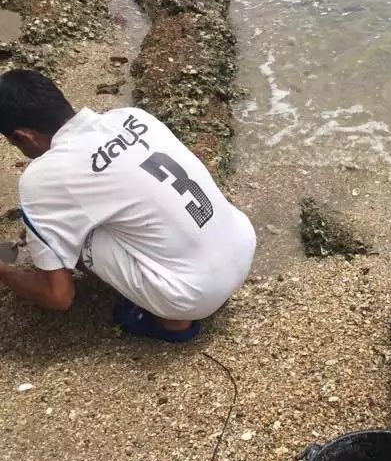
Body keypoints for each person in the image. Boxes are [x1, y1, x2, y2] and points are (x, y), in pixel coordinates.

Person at [0, 69, 256, 343]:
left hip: (193, 296)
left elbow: (58, 297)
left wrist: (4, 270)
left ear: (24, 136)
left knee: (75, 235)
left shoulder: (42, 177)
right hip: (242, 245)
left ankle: (172, 322)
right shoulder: (131, 116)